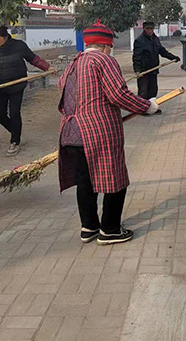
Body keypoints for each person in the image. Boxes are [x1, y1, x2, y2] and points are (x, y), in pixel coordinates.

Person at [58, 22, 159, 245]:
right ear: (106, 45)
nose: (110, 49)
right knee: (114, 178)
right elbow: (118, 94)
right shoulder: (103, 60)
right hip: (98, 131)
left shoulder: (74, 62)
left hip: (72, 131)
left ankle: (89, 227)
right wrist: (147, 106)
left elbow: (62, 90)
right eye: (110, 45)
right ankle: (110, 230)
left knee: (85, 181)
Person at [0, 24, 50, 156]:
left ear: (5, 37)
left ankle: (14, 141)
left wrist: (47, 67)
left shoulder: (19, 46)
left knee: (14, 112)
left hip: (17, 85)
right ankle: (16, 131)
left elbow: (33, 59)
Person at [133, 21, 180, 111]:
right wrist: (137, 71)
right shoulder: (139, 41)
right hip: (144, 71)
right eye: (147, 29)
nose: (150, 31)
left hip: (153, 70)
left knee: (153, 91)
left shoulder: (155, 39)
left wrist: (173, 57)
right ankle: (142, 109)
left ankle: (152, 108)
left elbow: (162, 51)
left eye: (151, 29)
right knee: (143, 92)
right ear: (144, 29)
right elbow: (136, 57)